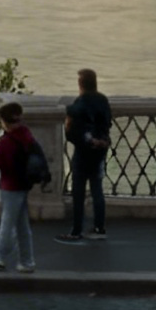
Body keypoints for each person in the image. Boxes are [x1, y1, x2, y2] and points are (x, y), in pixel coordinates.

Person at [0, 101, 39, 273]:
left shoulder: (6, 142)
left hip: (10, 186)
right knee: (22, 225)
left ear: (4, 122)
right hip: (24, 184)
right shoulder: (26, 134)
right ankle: (27, 261)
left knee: (7, 224)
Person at [58, 68, 112, 243]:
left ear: (80, 84)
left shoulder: (79, 103)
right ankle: (99, 227)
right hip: (100, 150)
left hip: (83, 151)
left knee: (79, 191)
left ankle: (76, 230)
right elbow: (108, 122)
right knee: (97, 189)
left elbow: (72, 124)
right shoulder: (103, 100)